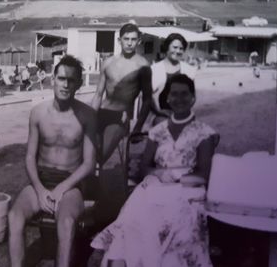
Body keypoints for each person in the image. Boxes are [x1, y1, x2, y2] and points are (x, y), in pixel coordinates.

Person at [90, 74, 218, 267]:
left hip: (188, 189)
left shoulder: (204, 132)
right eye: (174, 94)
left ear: (193, 98)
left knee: (179, 219)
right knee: (137, 218)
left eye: (185, 94)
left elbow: (203, 175)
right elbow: (144, 168)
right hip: (157, 185)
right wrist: (158, 174)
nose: (179, 99)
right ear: (167, 98)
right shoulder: (158, 131)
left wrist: (174, 177)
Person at [8, 55, 97, 267]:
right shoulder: (38, 113)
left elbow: (89, 164)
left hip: (71, 183)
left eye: (71, 80)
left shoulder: (87, 116)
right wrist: (39, 189)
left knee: (66, 223)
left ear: (79, 83)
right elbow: (30, 157)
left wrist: (62, 189)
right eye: (61, 78)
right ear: (52, 80)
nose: (66, 84)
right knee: (14, 216)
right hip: (41, 179)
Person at [91, 23, 152, 165]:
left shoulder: (143, 66)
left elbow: (147, 99)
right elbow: (98, 94)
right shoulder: (108, 63)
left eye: (133, 39)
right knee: (84, 153)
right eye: (126, 39)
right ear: (119, 40)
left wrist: (138, 127)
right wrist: (91, 117)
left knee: (99, 157)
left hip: (121, 116)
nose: (129, 43)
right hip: (101, 112)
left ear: (138, 41)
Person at [149, 33, 197, 124]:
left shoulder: (189, 70)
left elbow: (193, 96)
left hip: (183, 113)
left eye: (181, 48)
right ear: (167, 47)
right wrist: (159, 111)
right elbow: (148, 97)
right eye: (174, 47)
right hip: (160, 114)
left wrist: (182, 112)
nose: (178, 51)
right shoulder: (154, 69)